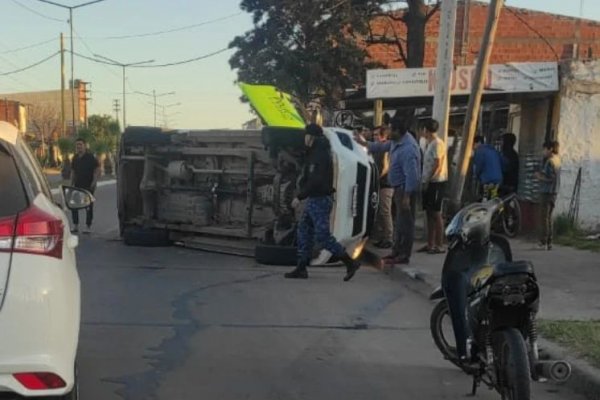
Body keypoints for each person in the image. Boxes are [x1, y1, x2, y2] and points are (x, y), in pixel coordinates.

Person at [285, 124, 361, 281]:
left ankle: (350, 262)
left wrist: (299, 197)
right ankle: (301, 267)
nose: (304, 139)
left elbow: (316, 180)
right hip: (314, 199)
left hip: (319, 200)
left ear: (311, 136)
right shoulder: (315, 152)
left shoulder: (320, 154)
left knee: (323, 236)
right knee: (304, 230)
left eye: (306, 135)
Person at [356, 116, 422, 265]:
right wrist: (364, 143)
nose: (388, 131)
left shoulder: (408, 149)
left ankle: (403, 255)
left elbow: (412, 176)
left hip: (405, 190)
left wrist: (406, 196)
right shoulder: (396, 142)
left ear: (398, 131)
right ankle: (396, 251)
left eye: (391, 129)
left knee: (406, 225)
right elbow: (381, 147)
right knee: (399, 222)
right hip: (397, 188)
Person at [418, 119, 447, 254]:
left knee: (436, 213)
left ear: (426, 130)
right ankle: (430, 243)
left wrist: (429, 180)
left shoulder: (438, 144)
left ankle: (440, 244)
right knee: (429, 213)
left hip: (436, 182)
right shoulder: (429, 143)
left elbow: (438, 164)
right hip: (428, 181)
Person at [371, 125, 394, 249]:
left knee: (385, 211)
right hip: (379, 184)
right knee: (379, 211)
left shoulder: (385, 148)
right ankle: (382, 237)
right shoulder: (377, 148)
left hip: (385, 184)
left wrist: (376, 177)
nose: (374, 137)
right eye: (373, 135)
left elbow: (385, 167)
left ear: (383, 136)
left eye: (376, 135)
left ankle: (388, 238)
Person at [71, 138, 100, 233]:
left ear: (84, 145)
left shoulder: (90, 157)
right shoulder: (75, 158)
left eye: (80, 144)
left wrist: (94, 182)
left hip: (88, 186)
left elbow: (96, 169)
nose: (78, 146)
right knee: (74, 206)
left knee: (88, 206)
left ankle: (88, 226)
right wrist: (71, 183)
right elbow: (73, 171)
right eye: (77, 145)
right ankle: (75, 226)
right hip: (77, 185)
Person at [535, 140, 561, 250]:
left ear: (550, 149)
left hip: (546, 192)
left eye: (544, 149)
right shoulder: (558, 160)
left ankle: (543, 242)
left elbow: (549, 178)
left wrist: (539, 176)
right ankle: (549, 241)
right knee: (549, 217)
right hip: (554, 192)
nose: (543, 151)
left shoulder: (550, 162)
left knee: (543, 218)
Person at [472, 135, 503, 200]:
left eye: (473, 144)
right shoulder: (493, 149)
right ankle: (498, 209)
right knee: (494, 198)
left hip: (488, 180)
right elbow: (502, 162)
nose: (473, 147)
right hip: (498, 179)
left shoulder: (480, 151)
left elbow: (478, 166)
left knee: (485, 198)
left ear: (478, 143)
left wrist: (476, 175)